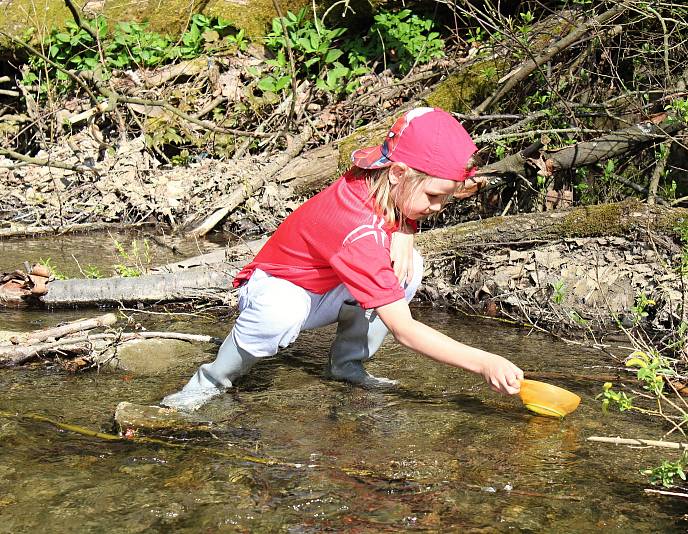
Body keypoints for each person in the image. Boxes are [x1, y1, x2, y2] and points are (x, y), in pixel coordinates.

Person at [162, 107, 524, 412]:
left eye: (444, 198)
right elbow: (405, 331)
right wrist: (484, 362)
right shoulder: (358, 231)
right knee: (278, 316)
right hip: (279, 286)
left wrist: (406, 229)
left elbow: (415, 170)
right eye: (433, 196)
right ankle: (210, 380)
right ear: (397, 173)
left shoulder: (380, 172)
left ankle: (346, 367)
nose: (438, 207)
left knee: (408, 267)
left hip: (328, 282)